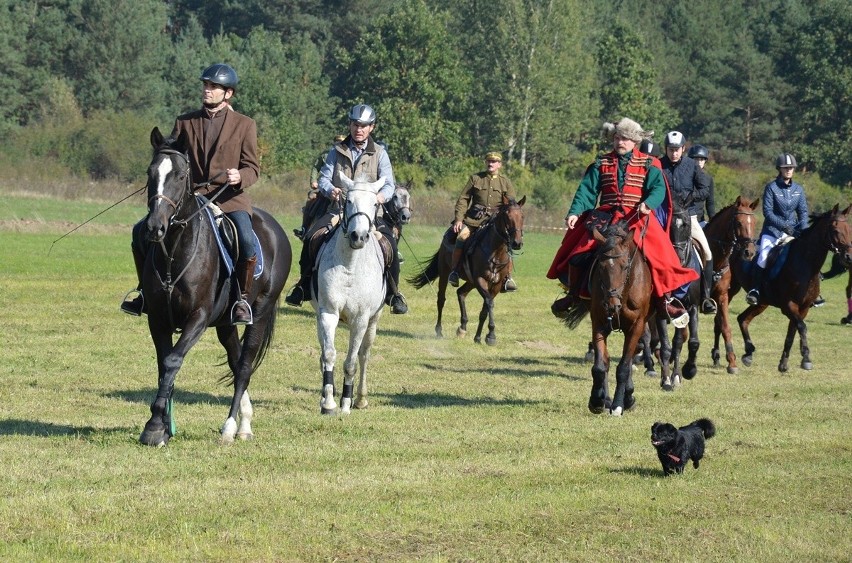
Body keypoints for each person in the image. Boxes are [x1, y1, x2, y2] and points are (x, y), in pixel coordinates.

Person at [121, 63, 260, 325]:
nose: (207, 90)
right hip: (190, 197)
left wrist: (240, 176)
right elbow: (171, 154)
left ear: (228, 93)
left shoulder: (245, 125)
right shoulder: (184, 121)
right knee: (140, 230)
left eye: (213, 87)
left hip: (229, 198)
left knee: (245, 238)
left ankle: (241, 299)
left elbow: (253, 168)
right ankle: (143, 292)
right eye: (205, 85)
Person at [548, 118, 698, 325]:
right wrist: (575, 212)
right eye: (617, 137)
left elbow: (658, 189)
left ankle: (664, 300)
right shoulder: (601, 163)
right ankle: (574, 295)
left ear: (634, 141)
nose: (620, 142)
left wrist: (648, 203)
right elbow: (587, 191)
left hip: (637, 218)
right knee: (577, 253)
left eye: (625, 138)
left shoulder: (649, 163)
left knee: (661, 257)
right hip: (605, 218)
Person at [284, 103, 408, 314]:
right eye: (354, 124)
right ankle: (303, 286)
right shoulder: (336, 151)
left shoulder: (380, 154)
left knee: (390, 247)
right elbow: (324, 177)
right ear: (350, 125)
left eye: (363, 125)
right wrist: (330, 189)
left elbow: (389, 184)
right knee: (312, 237)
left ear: (372, 127)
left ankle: (393, 294)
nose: (358, 129)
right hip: (338, 211)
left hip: (369, 215)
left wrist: (380, 196)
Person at [660, 131, 717, 314]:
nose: (674, 153)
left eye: (677, 150)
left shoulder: (692, 166)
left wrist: (690, 197)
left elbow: (704, 189)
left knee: (707, 252)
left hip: (688, 218)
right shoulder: (659, 165)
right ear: (666, 149)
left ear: (683, 149)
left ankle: (706, 297)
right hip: (664, 218)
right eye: (671, 150)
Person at [448, 151, 519, 292]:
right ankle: (455, 271)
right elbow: (463, 199)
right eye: (488, 161)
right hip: (474, 220)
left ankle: (507, 278)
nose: (490, 163)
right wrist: (459, 219)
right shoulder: (475, 179)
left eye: (494, 161)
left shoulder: (505, 182)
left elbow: (511, 204)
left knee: (508, 243)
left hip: (495, 223)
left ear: (499, 164)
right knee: (461, 237)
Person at [746, 153, 809, 305]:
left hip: (793, 232)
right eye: (785, 168)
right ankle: (755, 289)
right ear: (779, 169)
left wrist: (804, 229)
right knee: (763, 257)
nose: (789, 170)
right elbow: (767, 212)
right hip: (772, 232)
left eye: (791, 168)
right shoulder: (771, 188)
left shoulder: (798, 190)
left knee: (805, 257)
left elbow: (803, 212)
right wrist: (785, 227)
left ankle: (810, 292)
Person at [294, 134, 347, 240]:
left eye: (341, 143)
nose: (338, 145)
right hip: (325, 188)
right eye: (337, 142)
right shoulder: (325, 155)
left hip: (342, 190)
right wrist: (313, 181)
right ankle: (304, 228)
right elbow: (315, 168)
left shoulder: (348, 156)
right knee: (312, 197)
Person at [687, 144, 716, 224]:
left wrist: (713, 220)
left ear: (705, 161)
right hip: (684, 219)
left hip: (700, 220)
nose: (699, 162)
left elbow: (710, 202)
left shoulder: (708, 178)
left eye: (702, 159)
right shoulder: (683, 176)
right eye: (696, 159)